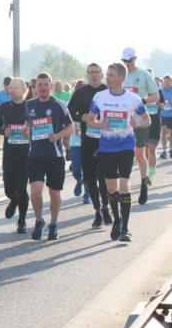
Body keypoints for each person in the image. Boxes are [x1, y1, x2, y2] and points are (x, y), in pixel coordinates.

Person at [88, 62, 150, 242]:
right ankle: (117, 219)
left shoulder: (133, 99)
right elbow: (91, 120)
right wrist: (100, 124)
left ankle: (125, 228)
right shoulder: (99, 97)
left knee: (124, 184)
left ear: (122, 78)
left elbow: (147, 120)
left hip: (125, 146)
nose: (107, 78)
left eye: (111, 75)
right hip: (106, 147)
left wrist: (137, 123)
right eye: (107, 75)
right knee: (111, 187)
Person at [25, 73, 74, 241]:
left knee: (54, 193)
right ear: (36, 87)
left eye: (46, 84)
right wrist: (26, 131)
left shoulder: (58, 105)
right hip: (35, 156)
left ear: (51, 86)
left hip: (55, 156)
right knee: (35, 191)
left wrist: (57, 136)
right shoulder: (29, 104)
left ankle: (53, 224)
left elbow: (71, 127)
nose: (43, 87)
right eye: (40, 85)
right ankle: (39, 220)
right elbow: (27, 126)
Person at [68, 63, 112, 228]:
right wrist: (82, 118)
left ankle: (106, 207)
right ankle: (97, 211)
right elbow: (70, 112)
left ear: (102, 75)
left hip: (107, 140)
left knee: (104, 178)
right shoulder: (80, 93)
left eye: (96, 72)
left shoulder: (108, 91)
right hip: (88, 141)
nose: (93, 75)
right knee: (90, 178)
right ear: (87, 75)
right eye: (90, 72)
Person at [121, 48, 160, 205]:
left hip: (141, 120)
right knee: (124, 155)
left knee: (138, 154)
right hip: (122, 122)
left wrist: (142, 101)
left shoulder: (143, 75)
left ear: (135, 59)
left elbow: (156, 96)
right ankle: (123, 189)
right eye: (124, 61)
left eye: (129, 61)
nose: (126, 64)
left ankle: (144, 182)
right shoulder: (119, 75)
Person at [0, 77, 30, 233]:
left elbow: (38, 127)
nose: (11, 90)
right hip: (9, 153)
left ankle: (22, 221)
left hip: (26, 154)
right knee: (9, 189)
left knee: (21, 188)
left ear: (24, 90)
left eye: (15, 87)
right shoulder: (4, 107)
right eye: (10, 87)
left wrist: (29, 132)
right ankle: (13, 200)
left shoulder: (30, 107)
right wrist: (4, 131)